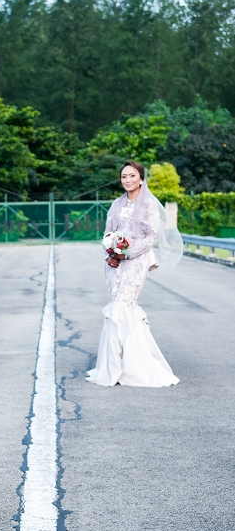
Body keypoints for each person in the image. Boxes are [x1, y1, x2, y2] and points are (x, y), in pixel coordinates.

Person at [86, 160, 182, 388]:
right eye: (123, 177)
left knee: (123, 305)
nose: (127, 180)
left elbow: (152, 236)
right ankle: (117, 365)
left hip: (135, 262)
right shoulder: (116, 204)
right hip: (114, 265)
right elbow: (108, 232)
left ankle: (132, 369)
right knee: (119, 307)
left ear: (140, 178)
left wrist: (126, 254)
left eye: (132, 176)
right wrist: (110, 252)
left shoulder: (148, 204)